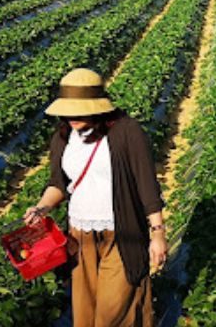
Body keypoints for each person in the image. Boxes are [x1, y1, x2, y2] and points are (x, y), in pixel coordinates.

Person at [24, 68, 166, 327]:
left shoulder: (127, 132)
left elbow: (148, 186)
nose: (72, 117)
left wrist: (157, 234)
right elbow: (59, 184)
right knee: (85, 314)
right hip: (79, 237)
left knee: (113, 314)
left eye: (79, 109)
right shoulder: (63, 137)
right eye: (68, 110)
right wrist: (41, 208)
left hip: (122, 235)